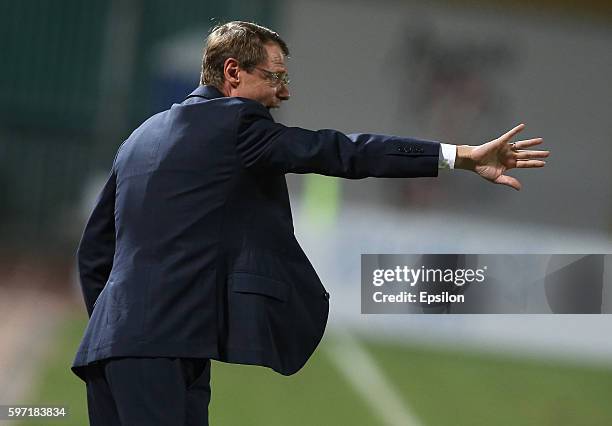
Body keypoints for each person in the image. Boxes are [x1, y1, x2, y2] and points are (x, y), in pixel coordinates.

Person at [71, 21, 549, 426]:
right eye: (274, 76)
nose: (284, 91)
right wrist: (458, 155)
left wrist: (118, 327)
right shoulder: (239, 126)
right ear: (232, 73)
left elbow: (94, 252)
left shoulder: (139, 137)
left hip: (110, 349)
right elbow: (343, 150)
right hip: (163, 349)